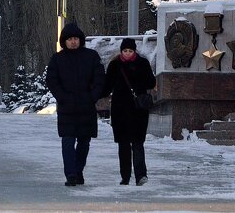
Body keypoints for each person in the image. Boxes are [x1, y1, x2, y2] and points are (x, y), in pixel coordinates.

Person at [45, 22, 104, 187]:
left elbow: (99, 79)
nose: (73, 42)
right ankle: (70, 173)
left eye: (76, 39)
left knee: (84, 142)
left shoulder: (91, 56)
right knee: (68, 141)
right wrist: (62, 97)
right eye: (70, 39)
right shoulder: (57, 59)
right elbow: (52, 80)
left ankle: (78, 170)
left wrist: (92, 96)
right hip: (67, 108)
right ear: (64, 41)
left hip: (86, 107)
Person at [104, 37, 157, 186]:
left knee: (138, 143)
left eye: (130, 51)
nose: (127, 53)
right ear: (121, 51)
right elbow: (107, 86)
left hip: (138, 110)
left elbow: (151, 82)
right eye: (125, 51)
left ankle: (140, 175)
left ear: (134, 51)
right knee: (123, 144)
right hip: (120, 110)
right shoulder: (115, 65)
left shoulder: (142, 63)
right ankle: (125, 176)